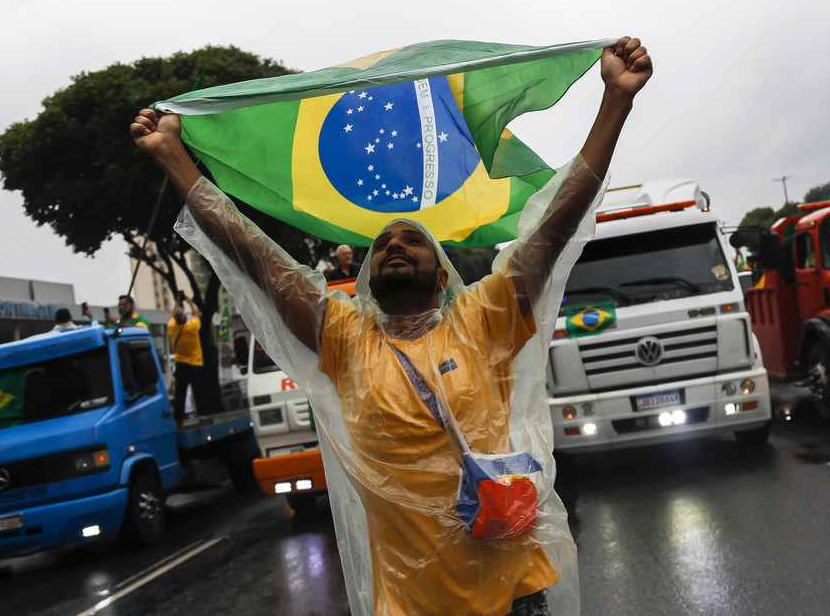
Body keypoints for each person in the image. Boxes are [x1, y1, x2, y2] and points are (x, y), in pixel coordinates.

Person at [132, 36, 651, 616]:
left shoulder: (485, 319)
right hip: (409, 605)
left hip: (512, 594)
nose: (394, 247)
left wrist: (615, 102)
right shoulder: (345, 339)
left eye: (412, 241)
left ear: (440, 277)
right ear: (369, 279)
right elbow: (254, 256)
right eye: (382, 245)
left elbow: (552, 230)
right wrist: (173, 157)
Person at [167, 293, 210, 423]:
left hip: (181, 364)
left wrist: (177, 301)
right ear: (186, 318)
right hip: (196, 364)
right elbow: (196, 315)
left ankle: (178, 418)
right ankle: (202, 415)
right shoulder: (192, 327)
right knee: (199, 391)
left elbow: (173, 316)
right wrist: (190, 302)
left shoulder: (172, 328)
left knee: (180, 392)